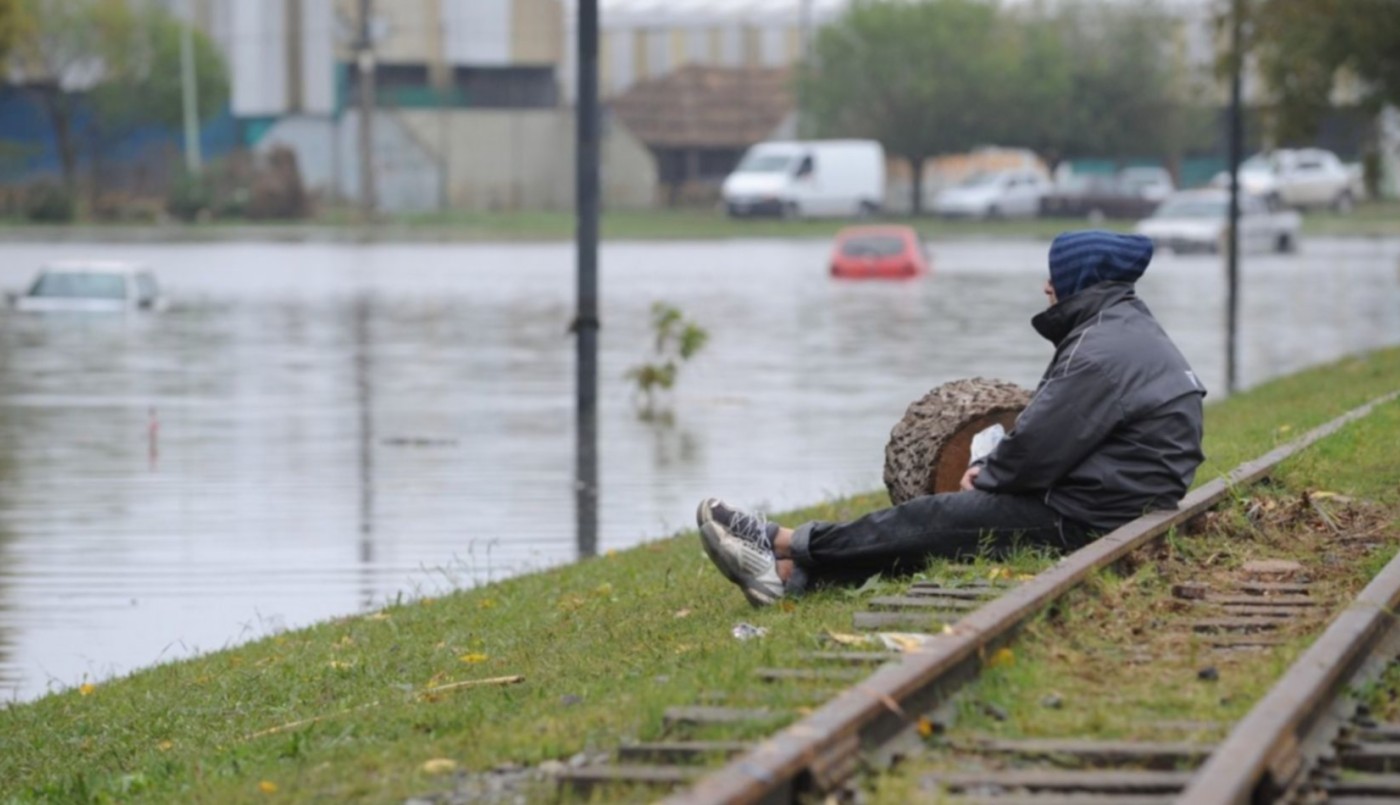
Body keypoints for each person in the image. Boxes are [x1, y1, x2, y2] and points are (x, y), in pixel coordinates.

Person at [697, 230, 1206, 607]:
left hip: (1094, 517)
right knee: (946, 530)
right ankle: (791, 575)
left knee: (938, 520)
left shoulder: (1097, 350)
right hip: (1118, 501)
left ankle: (780, 543)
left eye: (1056, 275)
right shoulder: (1124, 330)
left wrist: (989, 474)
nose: (1047, 286)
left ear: (1079, 280)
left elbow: (1038, 448)